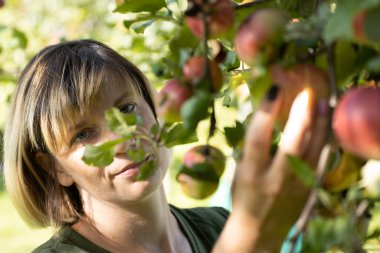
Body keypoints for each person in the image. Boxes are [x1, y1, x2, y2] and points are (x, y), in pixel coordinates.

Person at [3, 39, 329, 253]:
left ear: (156, 110)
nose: (122, 139)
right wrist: (251, 237)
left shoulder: (217, 225)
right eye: (83, 134)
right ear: (57, 168)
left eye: (127, 109)